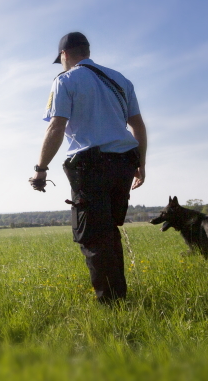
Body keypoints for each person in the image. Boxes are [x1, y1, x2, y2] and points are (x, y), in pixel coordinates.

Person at [30, 32, 147, 304]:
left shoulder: (65, 80)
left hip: (91, 165)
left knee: (93, 235)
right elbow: (137, 125)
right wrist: (140, 164)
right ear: (87, 51)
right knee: (109, 230)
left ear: (64, 55)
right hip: (124, 162)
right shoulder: (120, 79)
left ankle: (111, 305)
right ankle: (119, 297)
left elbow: (57, 126)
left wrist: (41, 168)